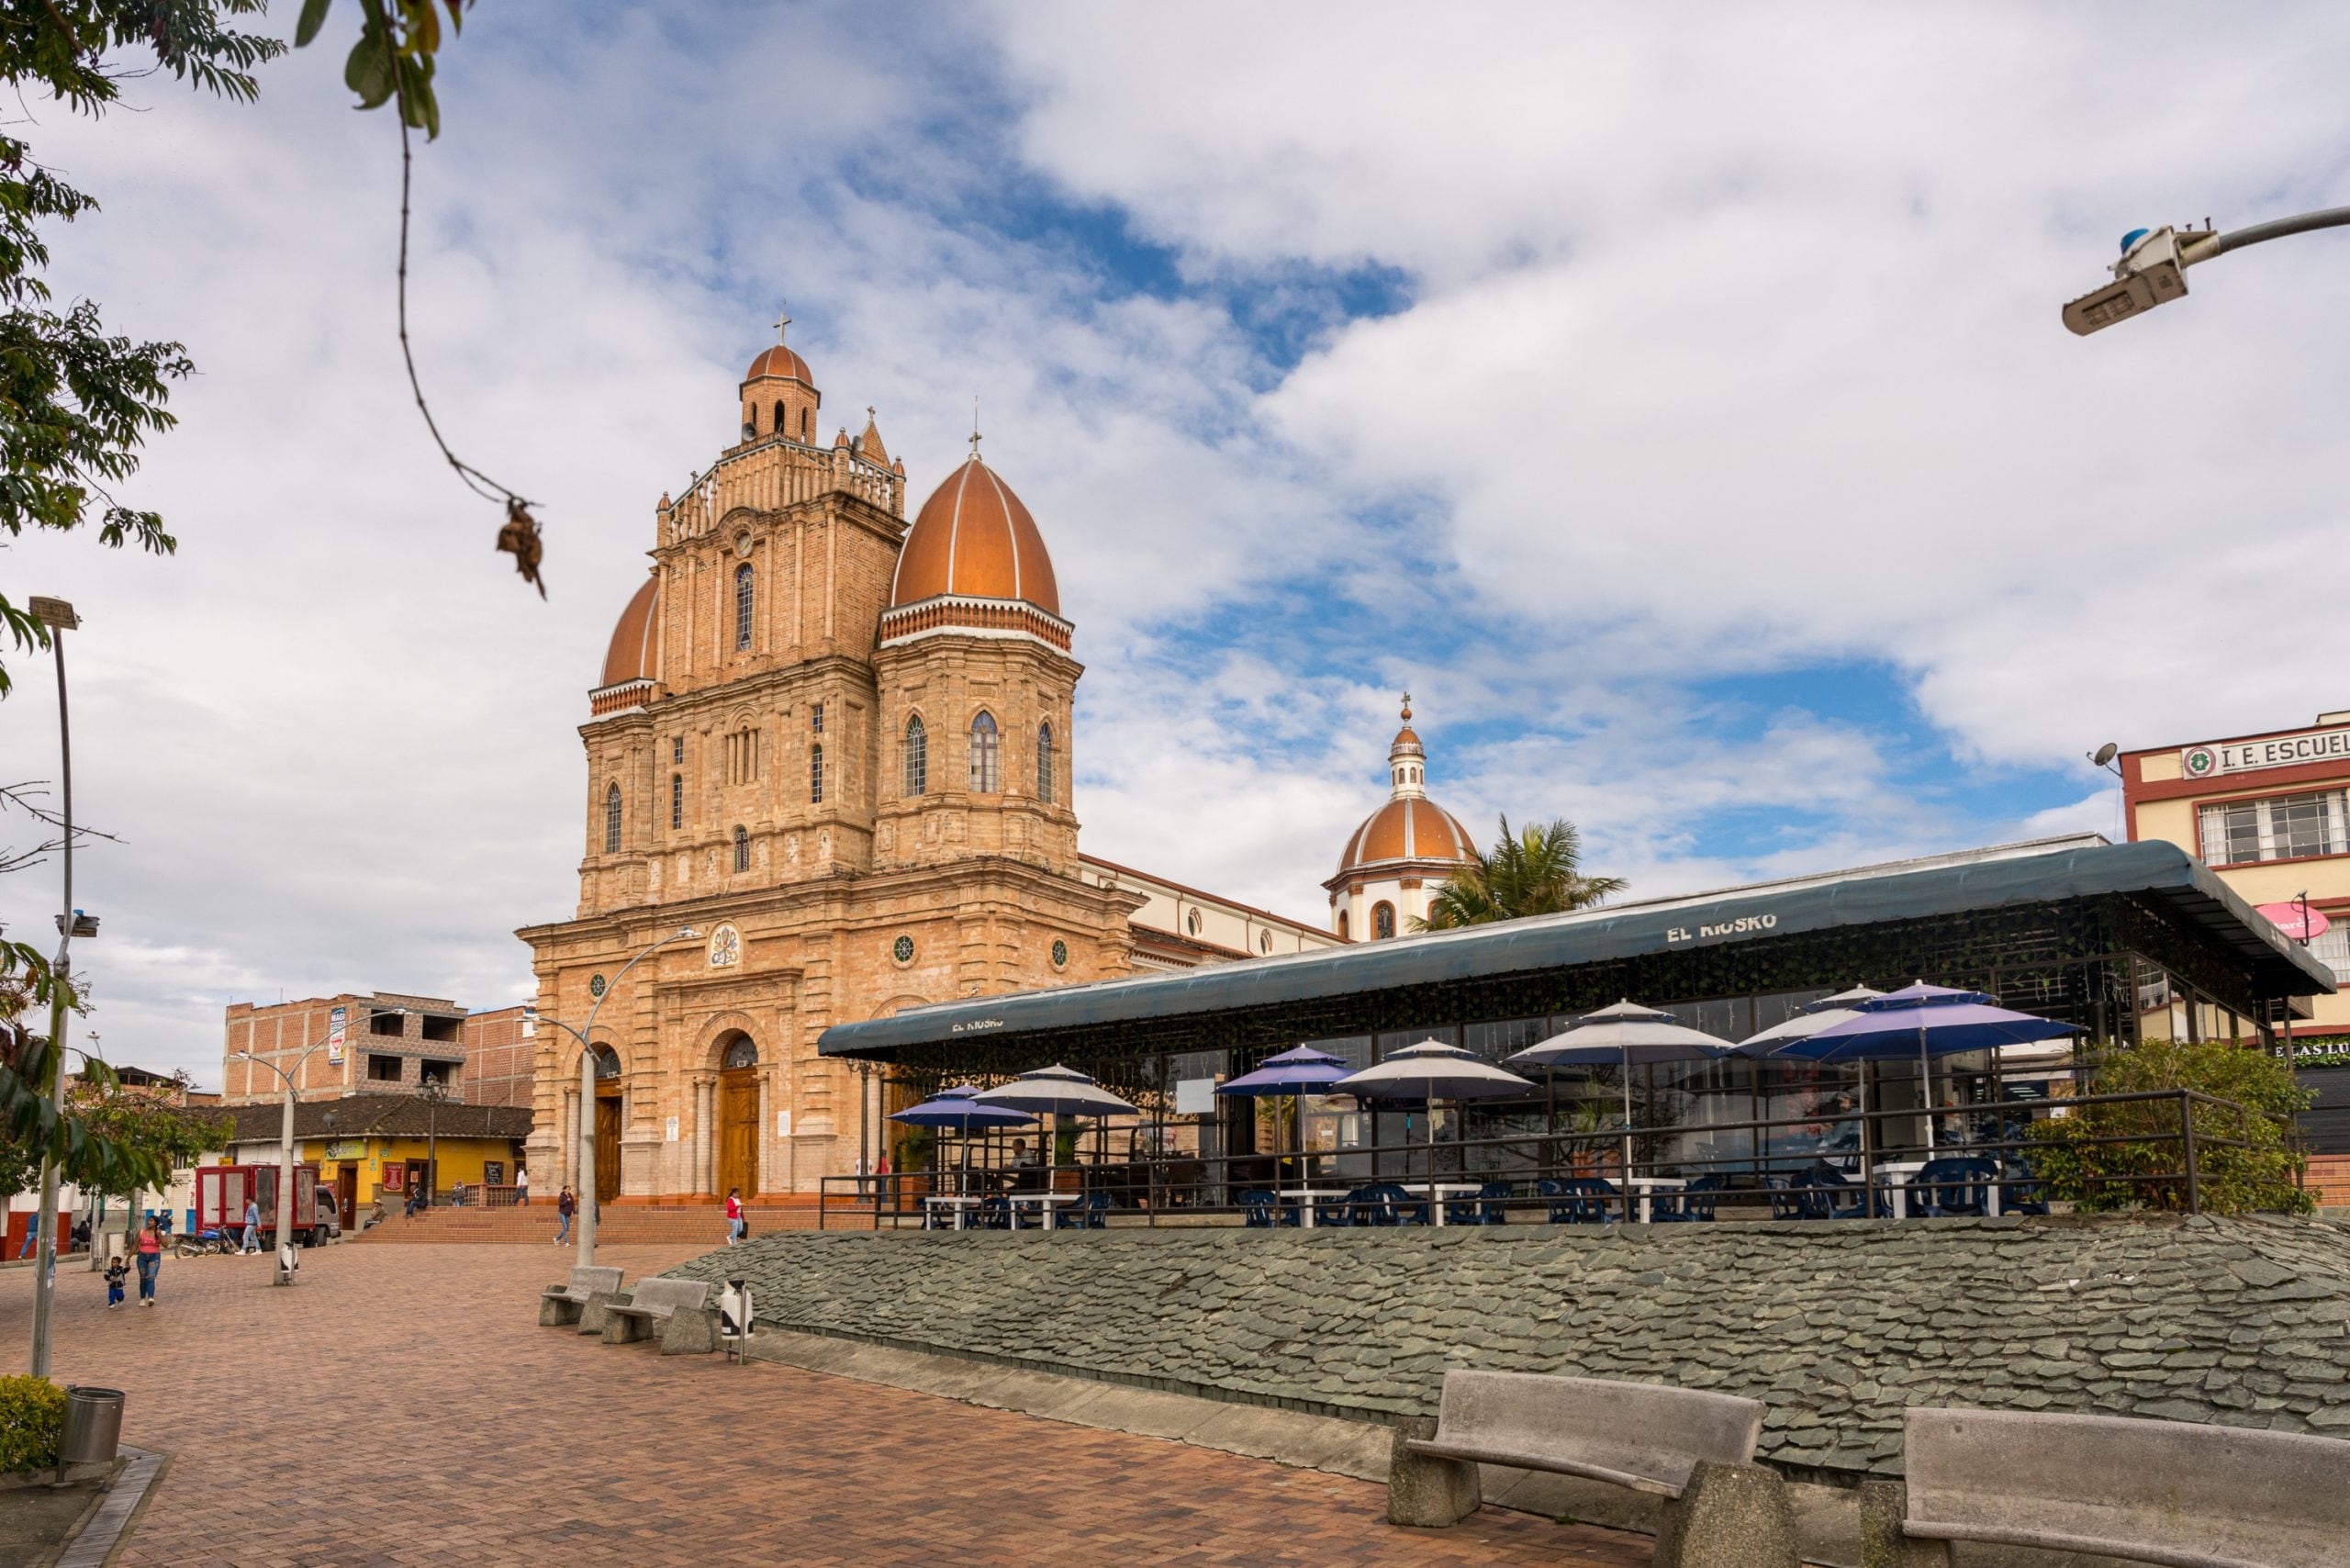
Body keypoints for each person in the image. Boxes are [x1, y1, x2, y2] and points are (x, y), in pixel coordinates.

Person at [134, 1216, 162, 1306]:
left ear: (156, 1223)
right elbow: (135, 1245)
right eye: (149, 1220)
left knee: (151, 1277)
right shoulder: (141, 1232)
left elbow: (166, 1244)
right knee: (143, 1278)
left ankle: (151, 1297)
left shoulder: (159, 1233)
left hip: (154, 1257)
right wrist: (128, 1258)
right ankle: (142, 1298)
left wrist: (160, 1235)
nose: (149, 1222)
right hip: (142, 1257)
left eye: (151, 1221)